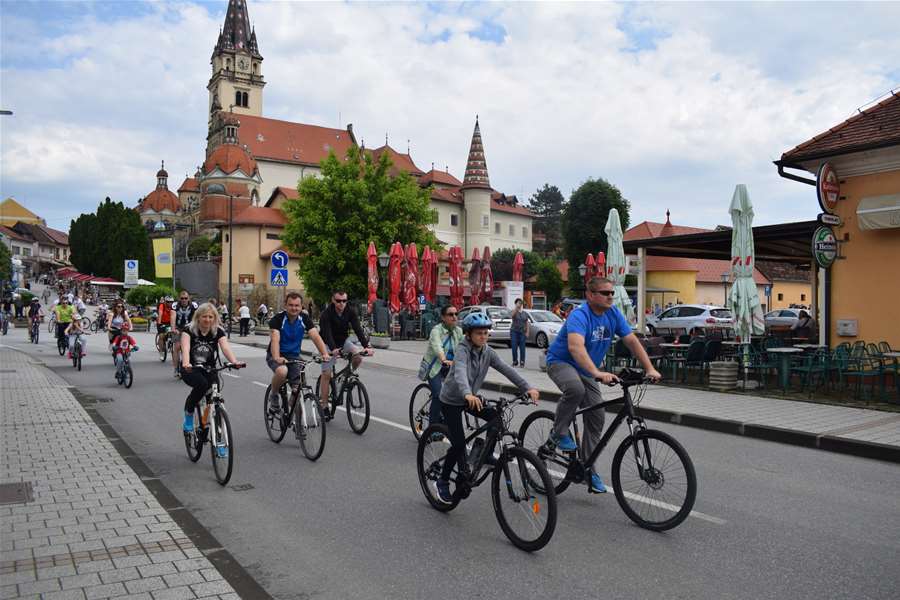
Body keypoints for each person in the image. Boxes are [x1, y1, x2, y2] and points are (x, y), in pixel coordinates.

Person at [543, 276, 661, 493]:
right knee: (575, 389)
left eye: (612, 293)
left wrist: (649, 368)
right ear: (590, 295)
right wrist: (597, 373)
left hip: (587, 369)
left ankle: (588, 469)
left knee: (597, 417)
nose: (610, 297)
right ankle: (558, 433)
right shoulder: (580, 315)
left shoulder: (613, 313)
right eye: (605, 293)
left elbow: (632, 341)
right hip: (561, 362)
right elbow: (576, 348)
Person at [433, 312, 540, 504]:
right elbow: (460, 373)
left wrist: (528, 387)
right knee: (458, 445)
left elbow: (507, 369)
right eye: (479, 333)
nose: (483, 336)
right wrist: (467, 393)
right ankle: (442, 481)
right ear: (468, 335)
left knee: (496, 419)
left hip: (470, 398)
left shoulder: (488, 351)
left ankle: (486, 453)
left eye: (486, 333)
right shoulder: (462, 351)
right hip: (452, 400)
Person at [179, 303, 245, 442]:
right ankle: (189, 415)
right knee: (202, 385)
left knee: (214, 397)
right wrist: (186, 362)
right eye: (204, 316)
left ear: (214, 318)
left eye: (210, 317)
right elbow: (185, 347)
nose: (207, 320)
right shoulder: (189, 330)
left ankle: (212, 431)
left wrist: (234, 361)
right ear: (198, 317)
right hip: (191, 368)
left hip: (210, 368)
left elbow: (225, 347)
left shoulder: (218, 331)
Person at [265, 292, 329, 415]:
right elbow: (275, 339)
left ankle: (298, 425)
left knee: (298, 387)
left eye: (297, 305)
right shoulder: (278, 319)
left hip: (294, 356)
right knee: (282, 371)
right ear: (285, 305)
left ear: (301, 306)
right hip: (277, 354)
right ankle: (273, 395)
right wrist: (277, 357)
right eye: (291, 305)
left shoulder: (304, 318)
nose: (294, 308)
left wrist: (324, 353)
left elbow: (315, 336)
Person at [318, 290, 374, 411]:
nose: (341, 303)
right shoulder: (326, 314)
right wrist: (333, 349)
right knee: (326, 374)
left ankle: (344, 377)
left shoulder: (350, 311)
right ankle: (324, 405)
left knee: (358, 357)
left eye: (344, 301)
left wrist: (366, 346)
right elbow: (327, 334)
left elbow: (358, 329)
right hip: (327, 344)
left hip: (343, 342)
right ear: (333, 300)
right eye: (338, 301)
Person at [419, 305, 463, 428]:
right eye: (450, 314)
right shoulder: (436, 331)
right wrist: (444, 359)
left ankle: (447, 418)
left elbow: (464, 347)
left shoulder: (458, 331)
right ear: (443, 317)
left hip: (451, 367)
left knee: (455, 394)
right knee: (438, 395)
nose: (454, 317)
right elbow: (437, 346)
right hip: (435, 367)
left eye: (456, 314)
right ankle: (432, 428)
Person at [170, 292, 198, 377]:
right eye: (182, 298)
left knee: (192, 347)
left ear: (188, 298)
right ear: (179, 298)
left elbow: (196, 317)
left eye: (185, 298)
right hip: (178, 328)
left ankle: (191, 365)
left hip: (190, 328)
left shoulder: (194, 305)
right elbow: (172, 317)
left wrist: (196, 327)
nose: (184, 300)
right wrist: (173, 329)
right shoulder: (175, 305)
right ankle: (175, 368)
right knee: (177, 347)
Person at [510, 298, 529, 367]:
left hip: (522, 332)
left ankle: (522, 362)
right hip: (514, 331)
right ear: (515, 303)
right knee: (514, 347)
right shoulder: (513, 311)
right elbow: (512, 315)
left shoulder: (525, 313)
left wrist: (527, 332)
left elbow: (527, 322)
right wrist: (516, 308)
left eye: (521, 303)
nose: (520, 304)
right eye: (518, 303)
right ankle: (515, 361)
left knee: (522, 348)